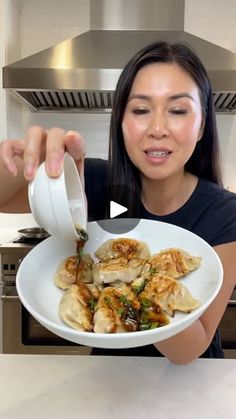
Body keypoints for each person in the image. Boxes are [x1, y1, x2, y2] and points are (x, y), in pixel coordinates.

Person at [1, 41, 236, 364]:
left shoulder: (226, 213)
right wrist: (28, 163)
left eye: (178, 110)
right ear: (121, 123)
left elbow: (190, 350)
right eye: (140, 110)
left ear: (202, 126)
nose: (157, 129)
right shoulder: (97, 181)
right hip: (108, 376)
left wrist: (140, 279)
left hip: (193, 387)